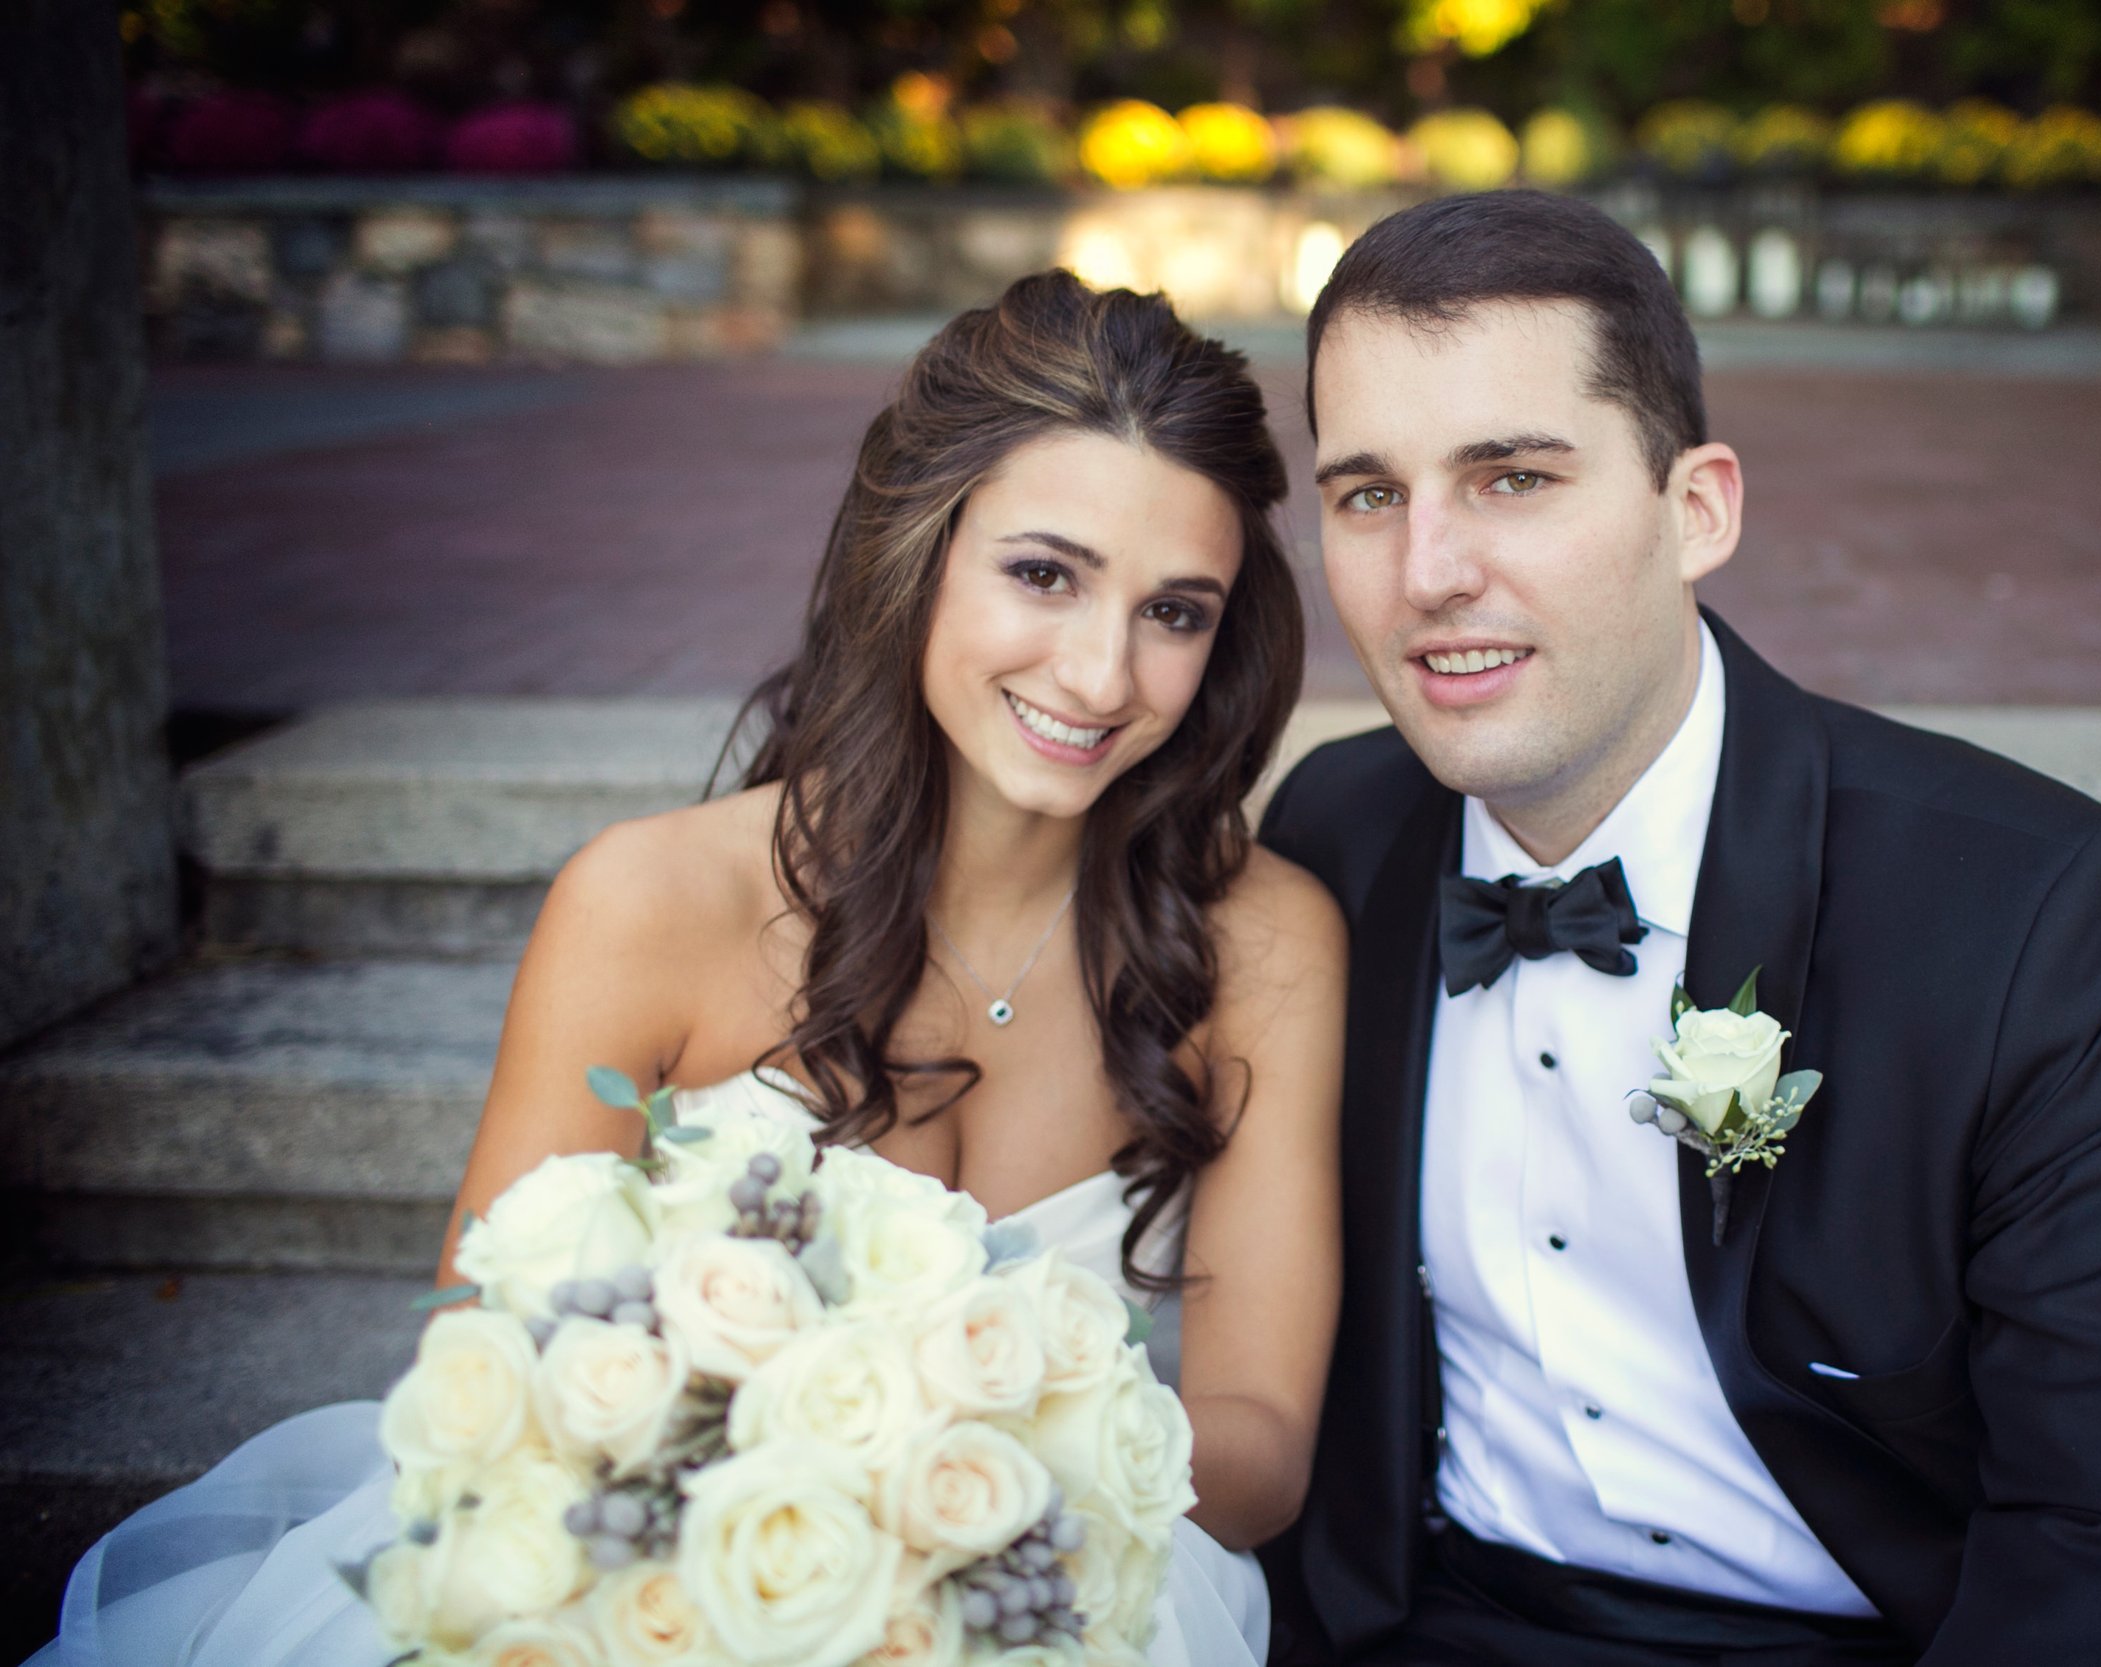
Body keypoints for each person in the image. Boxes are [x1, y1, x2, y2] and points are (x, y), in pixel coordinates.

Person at [34, 270, 1346, 1667]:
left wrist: (958, 1464)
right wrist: (775, 1471)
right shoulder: (650, 899)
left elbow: (1259, 1447)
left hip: (1063, 1591)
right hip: (648, 1581)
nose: (1099, 674)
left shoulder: (1260, 941)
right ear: (914, 552)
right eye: (1044, 574)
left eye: (1176, 611)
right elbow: (486, 1360)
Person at [1256, 190, 2101, 1667]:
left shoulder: (2032, 908)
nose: (1428, 571)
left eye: (1513, 478)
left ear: (1697, 509)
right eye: (1370, 493)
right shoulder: (1334, 835)